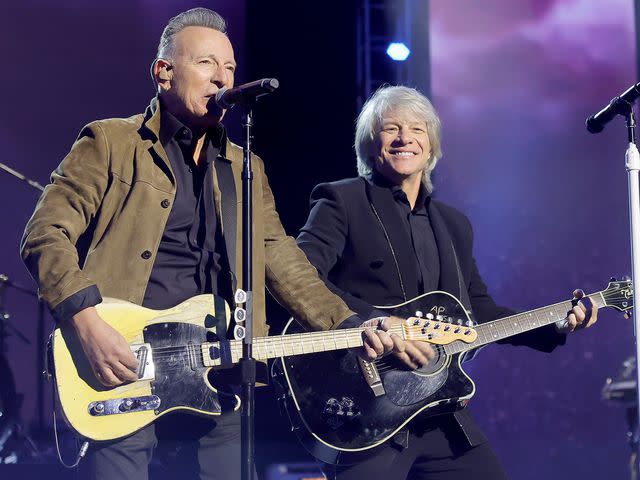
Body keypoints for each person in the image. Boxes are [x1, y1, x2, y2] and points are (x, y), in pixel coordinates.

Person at [20, 8, 362, 480]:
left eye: (230, 68)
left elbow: (280, 255)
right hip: (127, 360)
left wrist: (348, 322)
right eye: (206, 64)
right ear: (163, 72)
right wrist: (85, 321)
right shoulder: (111, 142)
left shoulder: (246, 167)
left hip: (219, 367)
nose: (222, 78)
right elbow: (45, 233)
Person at [296, 85, 597, 479]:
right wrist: (376, 322)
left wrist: (558, 323)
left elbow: (480, 313)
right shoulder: (342, 201)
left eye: (417, 129)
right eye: (391, 129)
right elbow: (300, 277)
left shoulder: (455, 225)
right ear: (371, 145)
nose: (405, 138)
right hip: (365, 408)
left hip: (439, 410)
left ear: (432, 146)